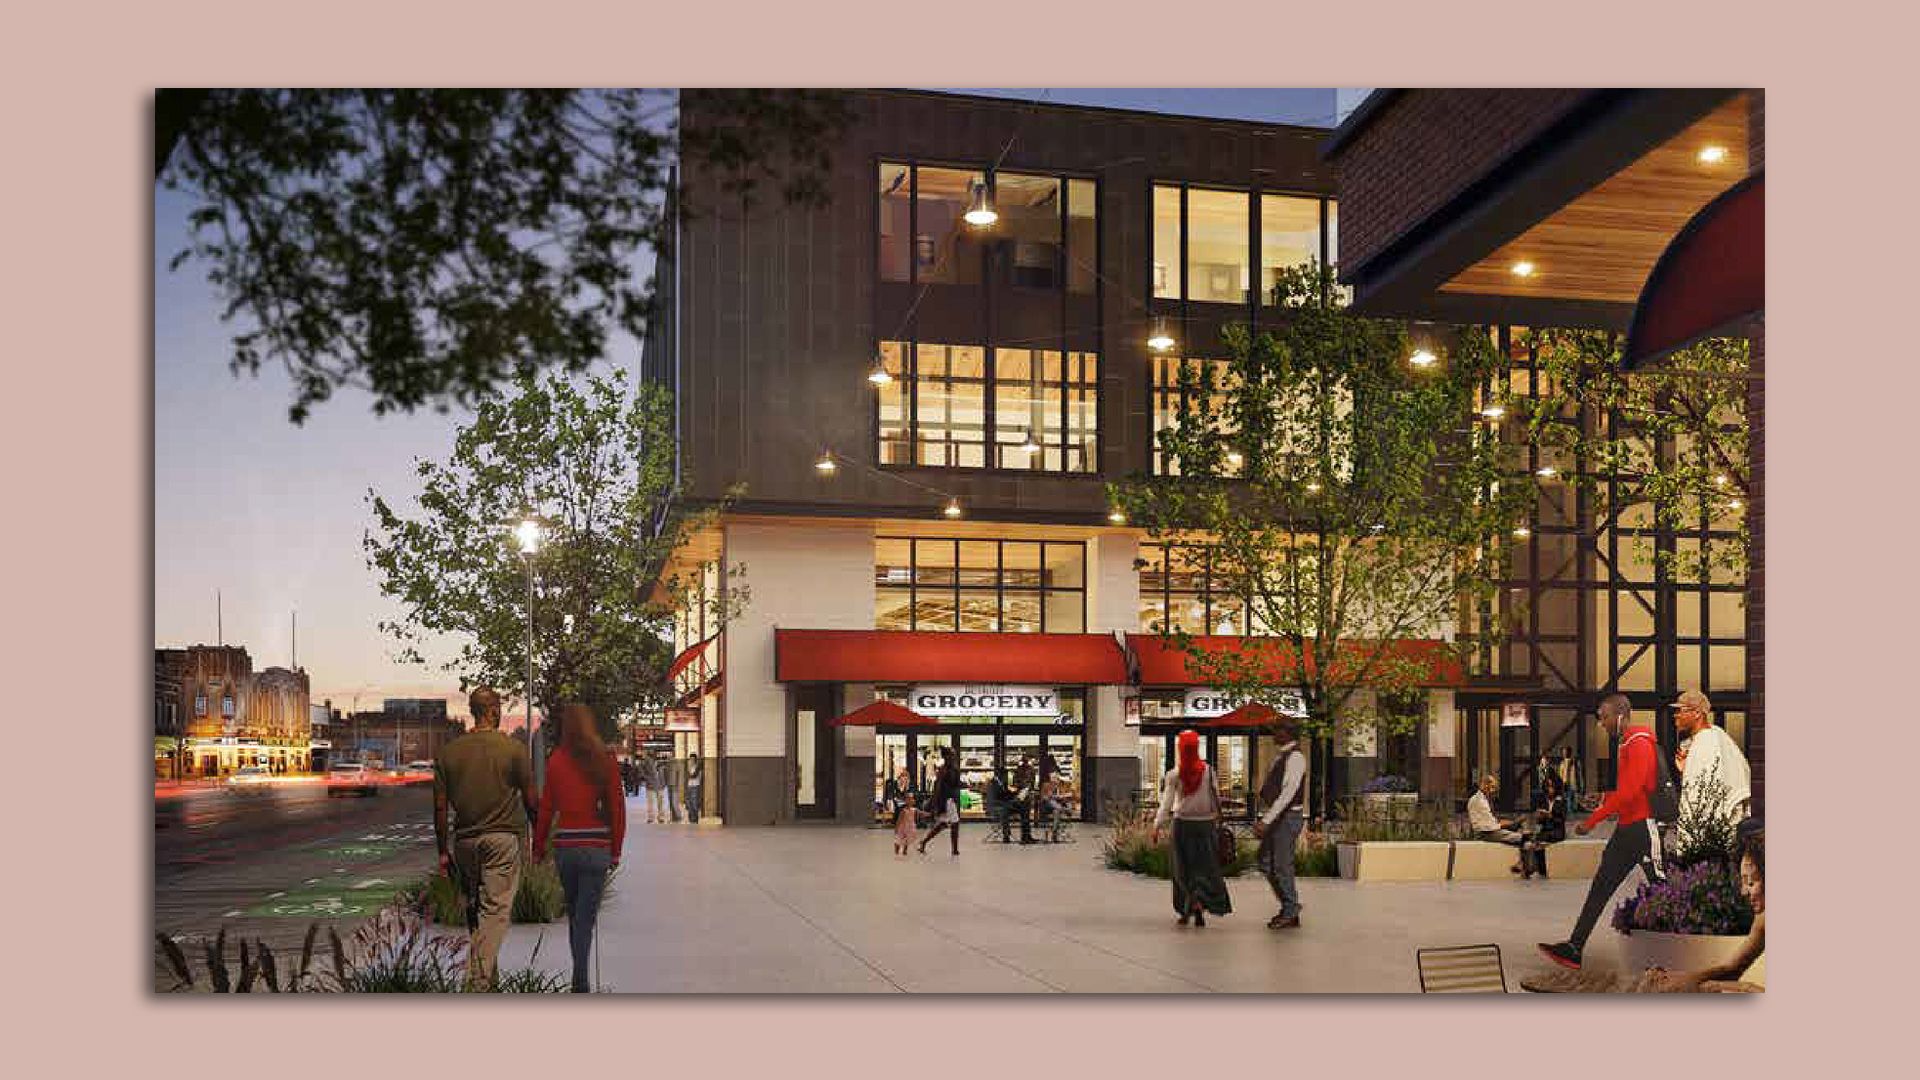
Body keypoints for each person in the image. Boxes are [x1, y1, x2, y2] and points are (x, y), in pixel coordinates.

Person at [1538, 693, 1660, 971]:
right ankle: (1574, 948)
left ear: (1619, 716)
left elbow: (1631, 793)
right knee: (1601, 887)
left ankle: (1683, 953)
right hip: (1627, 829)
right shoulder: (1627, 744)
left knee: (1662, 888)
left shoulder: (1639, 743)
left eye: (1603, 717)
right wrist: (1603, 797)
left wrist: (1591, 821)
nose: (1601, 723)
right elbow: (1627, 791)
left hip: (1643, 828)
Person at [433, 685, 536, 991]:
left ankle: (490, 990)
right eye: (498, 707)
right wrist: (539, 840)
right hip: (501, 841)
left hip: (465, 844)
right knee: (493, 916)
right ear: (493, 711)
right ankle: (475, 987)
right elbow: (532, 801)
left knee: (476, 917)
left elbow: (439, 807)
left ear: (472, 711)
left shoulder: (449, 753)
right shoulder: (514, 750)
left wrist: (442, 851)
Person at [533, 702, 625, 993]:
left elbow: (546, 809)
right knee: (585, 917)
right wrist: (615, 850)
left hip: (567, 848)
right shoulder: (605, 759)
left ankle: (580, 977)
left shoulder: (556, 760)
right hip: (597, 847)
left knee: (576, 915)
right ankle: (581, 981)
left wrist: (538, 848)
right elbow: (617, 808)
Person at [1639, 825, 1766, 993]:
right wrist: (1681, 980)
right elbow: (1731, 969)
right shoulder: (1763, 920)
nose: (1743, 892)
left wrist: (1733, 987)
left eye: (1751, 882)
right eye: (1743, 882)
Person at [1151, 730, 1232, 927]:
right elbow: (1216, 798)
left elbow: (1167, 803)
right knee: (1204, 868)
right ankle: (1200, 903)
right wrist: (1217, 819)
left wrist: (1157, 825)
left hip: (1182, 826)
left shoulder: (1175, 774)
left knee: (1182, 869)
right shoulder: (1208, 771)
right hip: (1205, 825)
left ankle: (1188, 906)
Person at [1672, 689, 1751, 849]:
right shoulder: (1717, 735)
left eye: (1680, 710)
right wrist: (1685, 770)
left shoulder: (1705, 742)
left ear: (1696, 713)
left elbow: (1700, 792)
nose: (1676, 715)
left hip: (1708, 833)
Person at [1252, 720, 1307, 929]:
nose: (1274, 733)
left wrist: (1266, 821)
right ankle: (1289, 906)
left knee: (1282, 865)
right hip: (1278, 818)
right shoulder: (1282, 756)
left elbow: (1288, 794)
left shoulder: (1296, 758)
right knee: (1265, 861)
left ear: (1287, 733)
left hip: (1287, 818)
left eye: (1278, 729)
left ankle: (1291, 909)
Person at [1468, 775, 1543, 878]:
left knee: (1526, 842)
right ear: (1485, 785)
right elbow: (1490, 825)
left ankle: (1523, 866)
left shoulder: (1484, 799)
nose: (1494, 790)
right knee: (1524, 838)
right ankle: (1529, 867)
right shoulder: (1478, 801)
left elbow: (1491, 819)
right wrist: (1507, 824)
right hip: (1486, 833)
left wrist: (1508, 823)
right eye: (1493, 787)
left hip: (1491, 829)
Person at [916, 746, 963, 857]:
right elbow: (937, 788)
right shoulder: (943, 770)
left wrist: (964, 785)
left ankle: (924, 842)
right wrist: (934, 803)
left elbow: (956, 784)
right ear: (946, 757)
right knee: (954, 824)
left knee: (942, 824)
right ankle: (954, 850)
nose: (953, 757)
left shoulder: (954, 769)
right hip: (946, 800)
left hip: (951, 800)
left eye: (954, 755)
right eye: (951, 755)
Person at [891, 770, 917, 856]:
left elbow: (912, 794)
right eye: (903, 776)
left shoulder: (911, 785)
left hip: (907, 812)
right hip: (899, 806)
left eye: (906, 776)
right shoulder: (896, 784)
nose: (904, 778)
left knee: (907, 835)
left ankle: (905, 849)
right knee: (899, 834)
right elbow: (894, 794)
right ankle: (897, 849)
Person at [643, 753, 667, 824]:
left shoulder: (661, 765)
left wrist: (664, 783)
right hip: (650, 786)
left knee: (661, 802)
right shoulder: (645, 763)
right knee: (650, 802)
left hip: (660, 786)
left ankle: (661, 817)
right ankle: (650, 817)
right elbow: (641, 771)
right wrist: (647, 778)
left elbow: (664, 774)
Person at [684, 751, 704, 823]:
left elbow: (697, 776)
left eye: (693, 759)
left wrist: (692, 775)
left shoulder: (698, 767)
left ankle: (695, 819)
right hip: (689, 786)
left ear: (695, 760)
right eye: (690, 759)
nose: (691, 760)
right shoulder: (688, 767)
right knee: (689, 803)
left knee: (694, 803)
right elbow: (687, 777)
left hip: (695, 786)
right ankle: (691, 818)